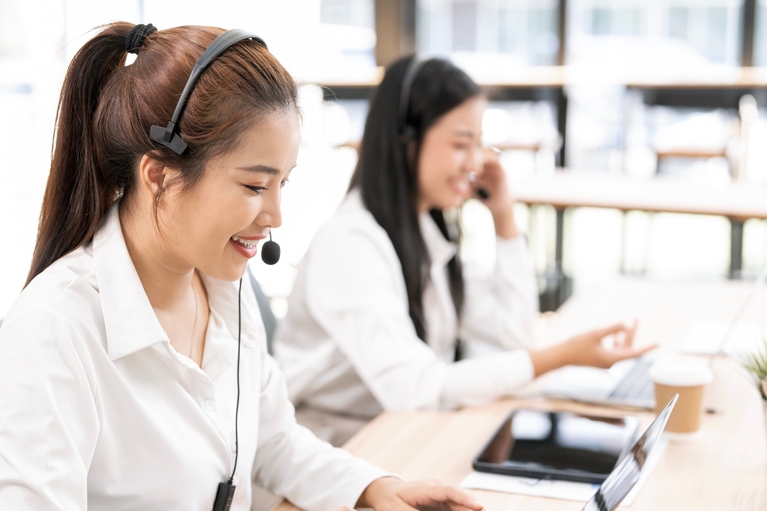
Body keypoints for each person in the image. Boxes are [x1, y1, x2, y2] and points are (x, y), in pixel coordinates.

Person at [0, 24, 493, 511]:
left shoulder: (221, 283)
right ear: (161, 176)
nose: (275, 214)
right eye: (254, 186)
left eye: (284, 183)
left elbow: (274, 441)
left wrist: (375, 487)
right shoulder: (57, 326)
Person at [273, 55, 653, 446]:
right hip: (335, 450)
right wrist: (561, 356)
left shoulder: (425, 232)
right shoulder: (350, 244)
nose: (476, 163)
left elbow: (515, 334)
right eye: (460, 143)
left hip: (398, 437)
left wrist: (503, 217)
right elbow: (415, 390)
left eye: (479, 144)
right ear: (406, 139)